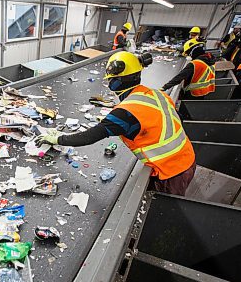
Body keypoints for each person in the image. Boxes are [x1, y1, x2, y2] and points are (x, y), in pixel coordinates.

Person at [36, 51, 196, 196]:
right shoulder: (157, 94)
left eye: (110, 79)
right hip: (188, 158)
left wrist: (58, 139)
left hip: (170, 173)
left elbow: (90, 136)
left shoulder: (125, 113)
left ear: (117, 81)